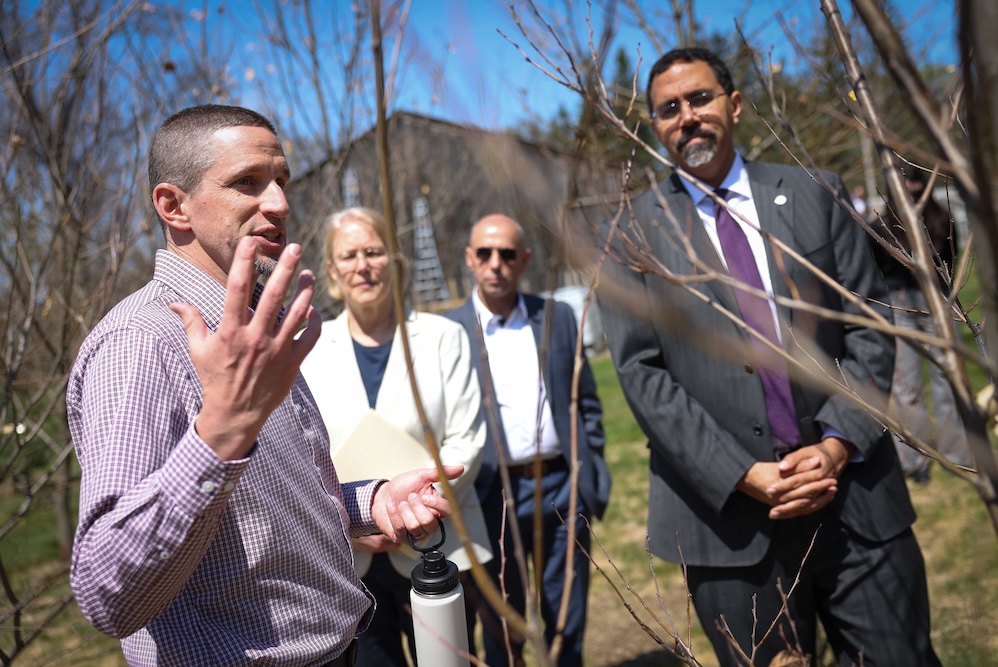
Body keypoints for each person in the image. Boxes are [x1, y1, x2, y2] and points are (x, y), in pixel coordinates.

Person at [67, 105, 460, 667]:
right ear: (173, 206)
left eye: (281, 180)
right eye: (246, 183)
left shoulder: (256, 328)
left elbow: (256, 518)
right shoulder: (140, 343)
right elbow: (108, 592)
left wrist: (368, 502)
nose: (279, 203)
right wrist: (223, 434)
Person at [598, 48, 940, 666]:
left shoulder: (815, 193)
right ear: (654, 128)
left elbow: (869, 326)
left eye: (699, 98)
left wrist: (837, 443)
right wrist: (742, 472)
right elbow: (641, 375)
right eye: (668, 109)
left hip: (853, 497)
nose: (687, 117)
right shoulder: (632, 234)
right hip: (730, 525)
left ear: (734, 105)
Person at [300, 207, 493, 666]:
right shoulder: (308, 350)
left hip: (438, 544)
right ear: (331, 269)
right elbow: (302, 452)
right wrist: (358, 521)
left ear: (394, 259)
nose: (362, 265)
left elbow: (466, 440)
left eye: (373, 251)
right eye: (348, 255)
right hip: (351, 560)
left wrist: (408, 515)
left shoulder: (444, 337)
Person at [446, 214, 610, 667]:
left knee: (567, 616)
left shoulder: (557, 317)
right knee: (502, 619)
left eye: (507, 254)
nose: (495, 263)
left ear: (525, 260)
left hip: (563, 489)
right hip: (490, 495)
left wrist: (591, 474)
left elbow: (587, 403)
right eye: (484, 253)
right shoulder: (446, 332)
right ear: (469, 259)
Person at [871, 162, 971, 483]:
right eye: (904, 184)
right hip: (899, 304)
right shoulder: (881, 227)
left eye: (915, 183)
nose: (911, 189)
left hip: (938, 301)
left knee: (948, 378)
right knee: (905, 385)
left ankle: (955, 454)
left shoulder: (942, 219)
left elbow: (952, 261)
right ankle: (914, 460)